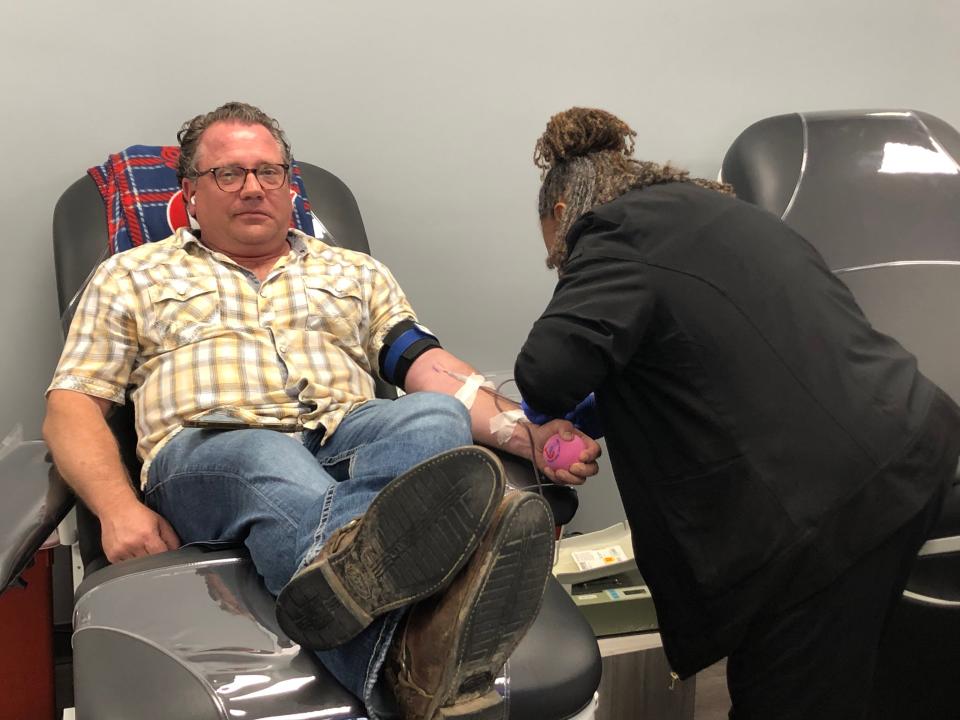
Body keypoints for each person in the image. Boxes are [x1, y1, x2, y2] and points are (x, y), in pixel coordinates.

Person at [42, 102, 600, 720]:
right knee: (265, 454)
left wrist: (529, 435)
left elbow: (427, 367)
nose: (253, 187)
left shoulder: (355, 273)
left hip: (346, 442)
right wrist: (117, 510)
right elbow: (71, 406)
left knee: (432, 419)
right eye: (228, 174)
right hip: (213, 451)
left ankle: (354, 564)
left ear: (290, 187)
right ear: (191, 195)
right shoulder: (130, 276)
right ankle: (403, 670)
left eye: (269, 172)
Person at [514, 107, 960, 719]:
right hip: (912, 436)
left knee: (782, 696)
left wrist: (538, 417)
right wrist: (593, 412)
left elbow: (547, 369)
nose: (562, 268)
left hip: (824, 513)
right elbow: (704, 359)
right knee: (869, 677)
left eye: (555, 257)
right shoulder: (722, 213)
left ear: (563, 215)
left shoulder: (614, 233)